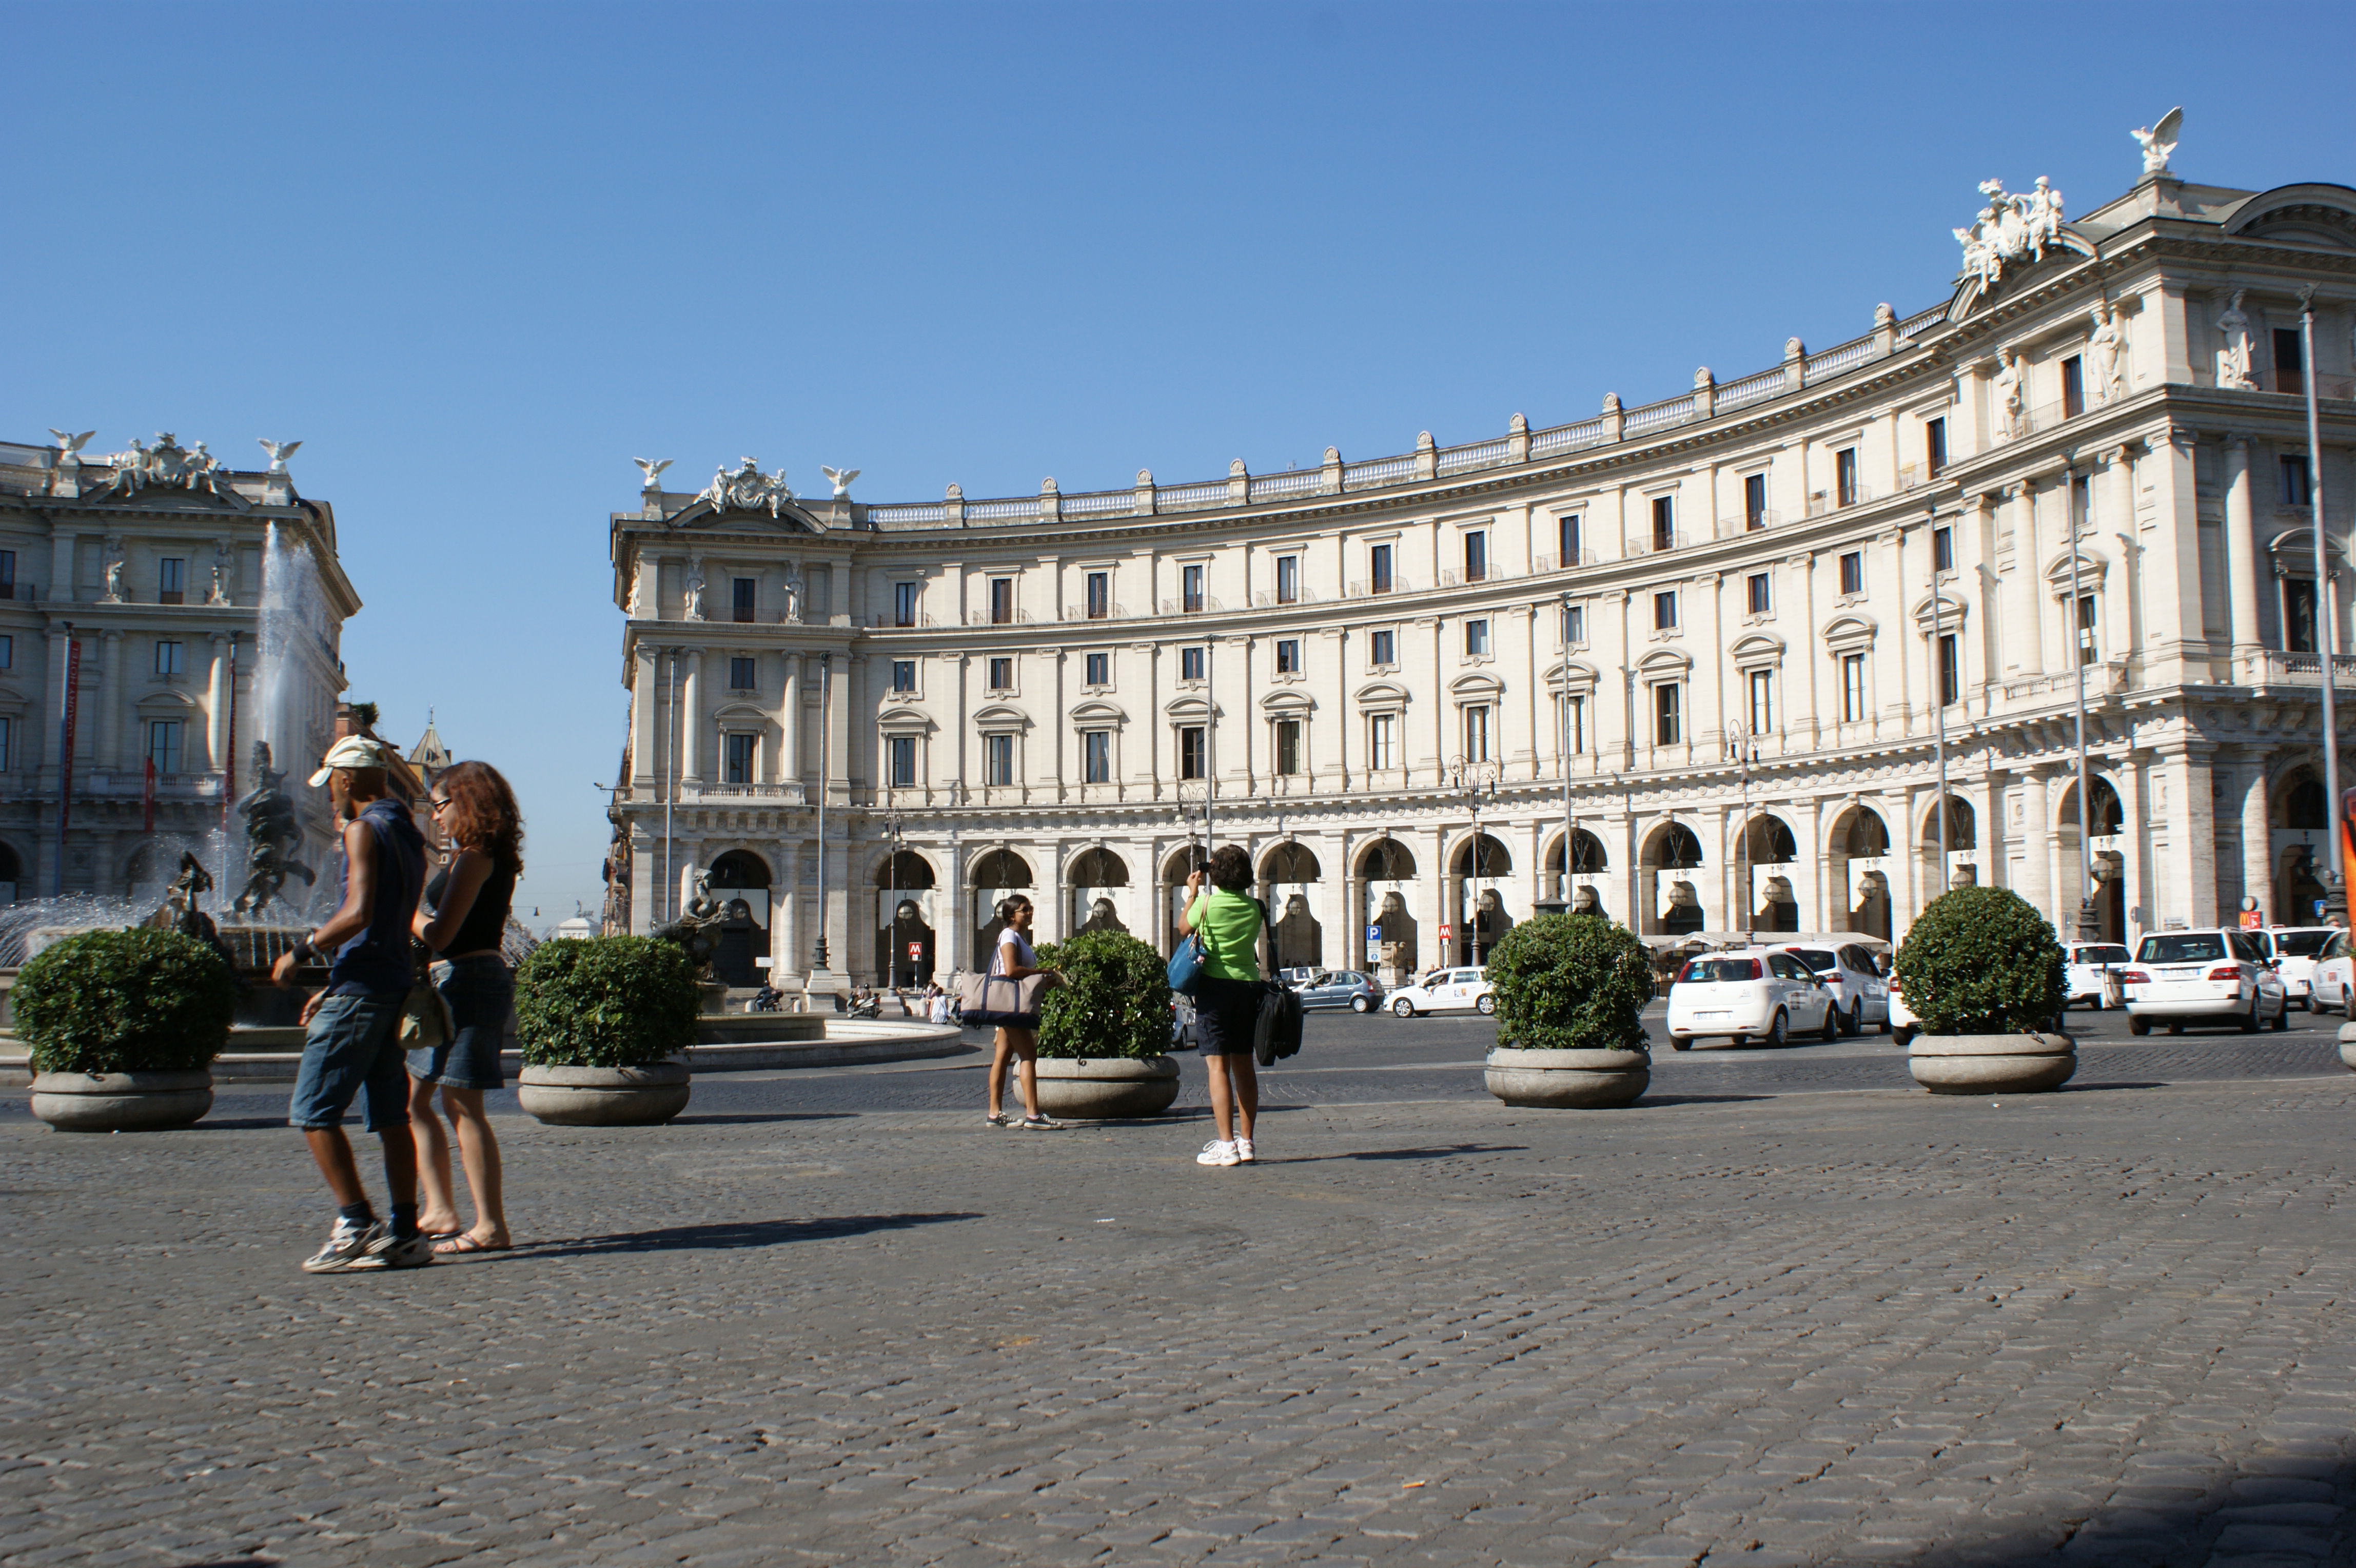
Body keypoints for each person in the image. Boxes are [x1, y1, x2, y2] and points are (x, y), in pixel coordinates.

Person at [273, 736, 432, 1272]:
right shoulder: (410, 836)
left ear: (346, 779)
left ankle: (356, 1222)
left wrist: (302, 951)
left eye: (332, 786)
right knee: (391, 1117)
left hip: (361, 992)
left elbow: (359, 911)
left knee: (313, 1111)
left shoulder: (363, 829)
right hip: (389, 985)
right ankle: (408, 1232)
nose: (330, 800)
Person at [406, 760, 521, 1256]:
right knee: (417, 1102)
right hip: (451, 982)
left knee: (462, 1106)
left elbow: (440, 935)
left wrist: (405, 912)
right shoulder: (468, 857)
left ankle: (490, 1226)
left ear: (466, 803)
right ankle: (439, 1209)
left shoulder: (475, 858)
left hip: (470, 980)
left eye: (439, 806)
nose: (435, 818)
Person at [1179, 844, 1265, 1167]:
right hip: (1248, 987)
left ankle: (1226, 1145)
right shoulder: (1255, 907)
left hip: (1214, 987)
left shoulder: (1206, 903)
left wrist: (1192, 892)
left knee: (1218, 1067)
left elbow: (1184, 928)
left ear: (1215, 873)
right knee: (1244, 1066)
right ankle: (1247, 1143)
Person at [983, 895, 1062, 1129]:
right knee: (1029, 1056)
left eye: (1030, 909)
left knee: (1002, 1058)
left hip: (1009, 1004)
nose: (1029, 913)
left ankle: (994, 1114)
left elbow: (1019, 973)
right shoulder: (1009, 935)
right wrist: (1041, 972)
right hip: (1011, 1005)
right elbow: (1011, 970)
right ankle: (1033, 1115)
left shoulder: (1018, 938)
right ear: (1011, 915)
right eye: (1024, 910)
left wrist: (1042, 981)